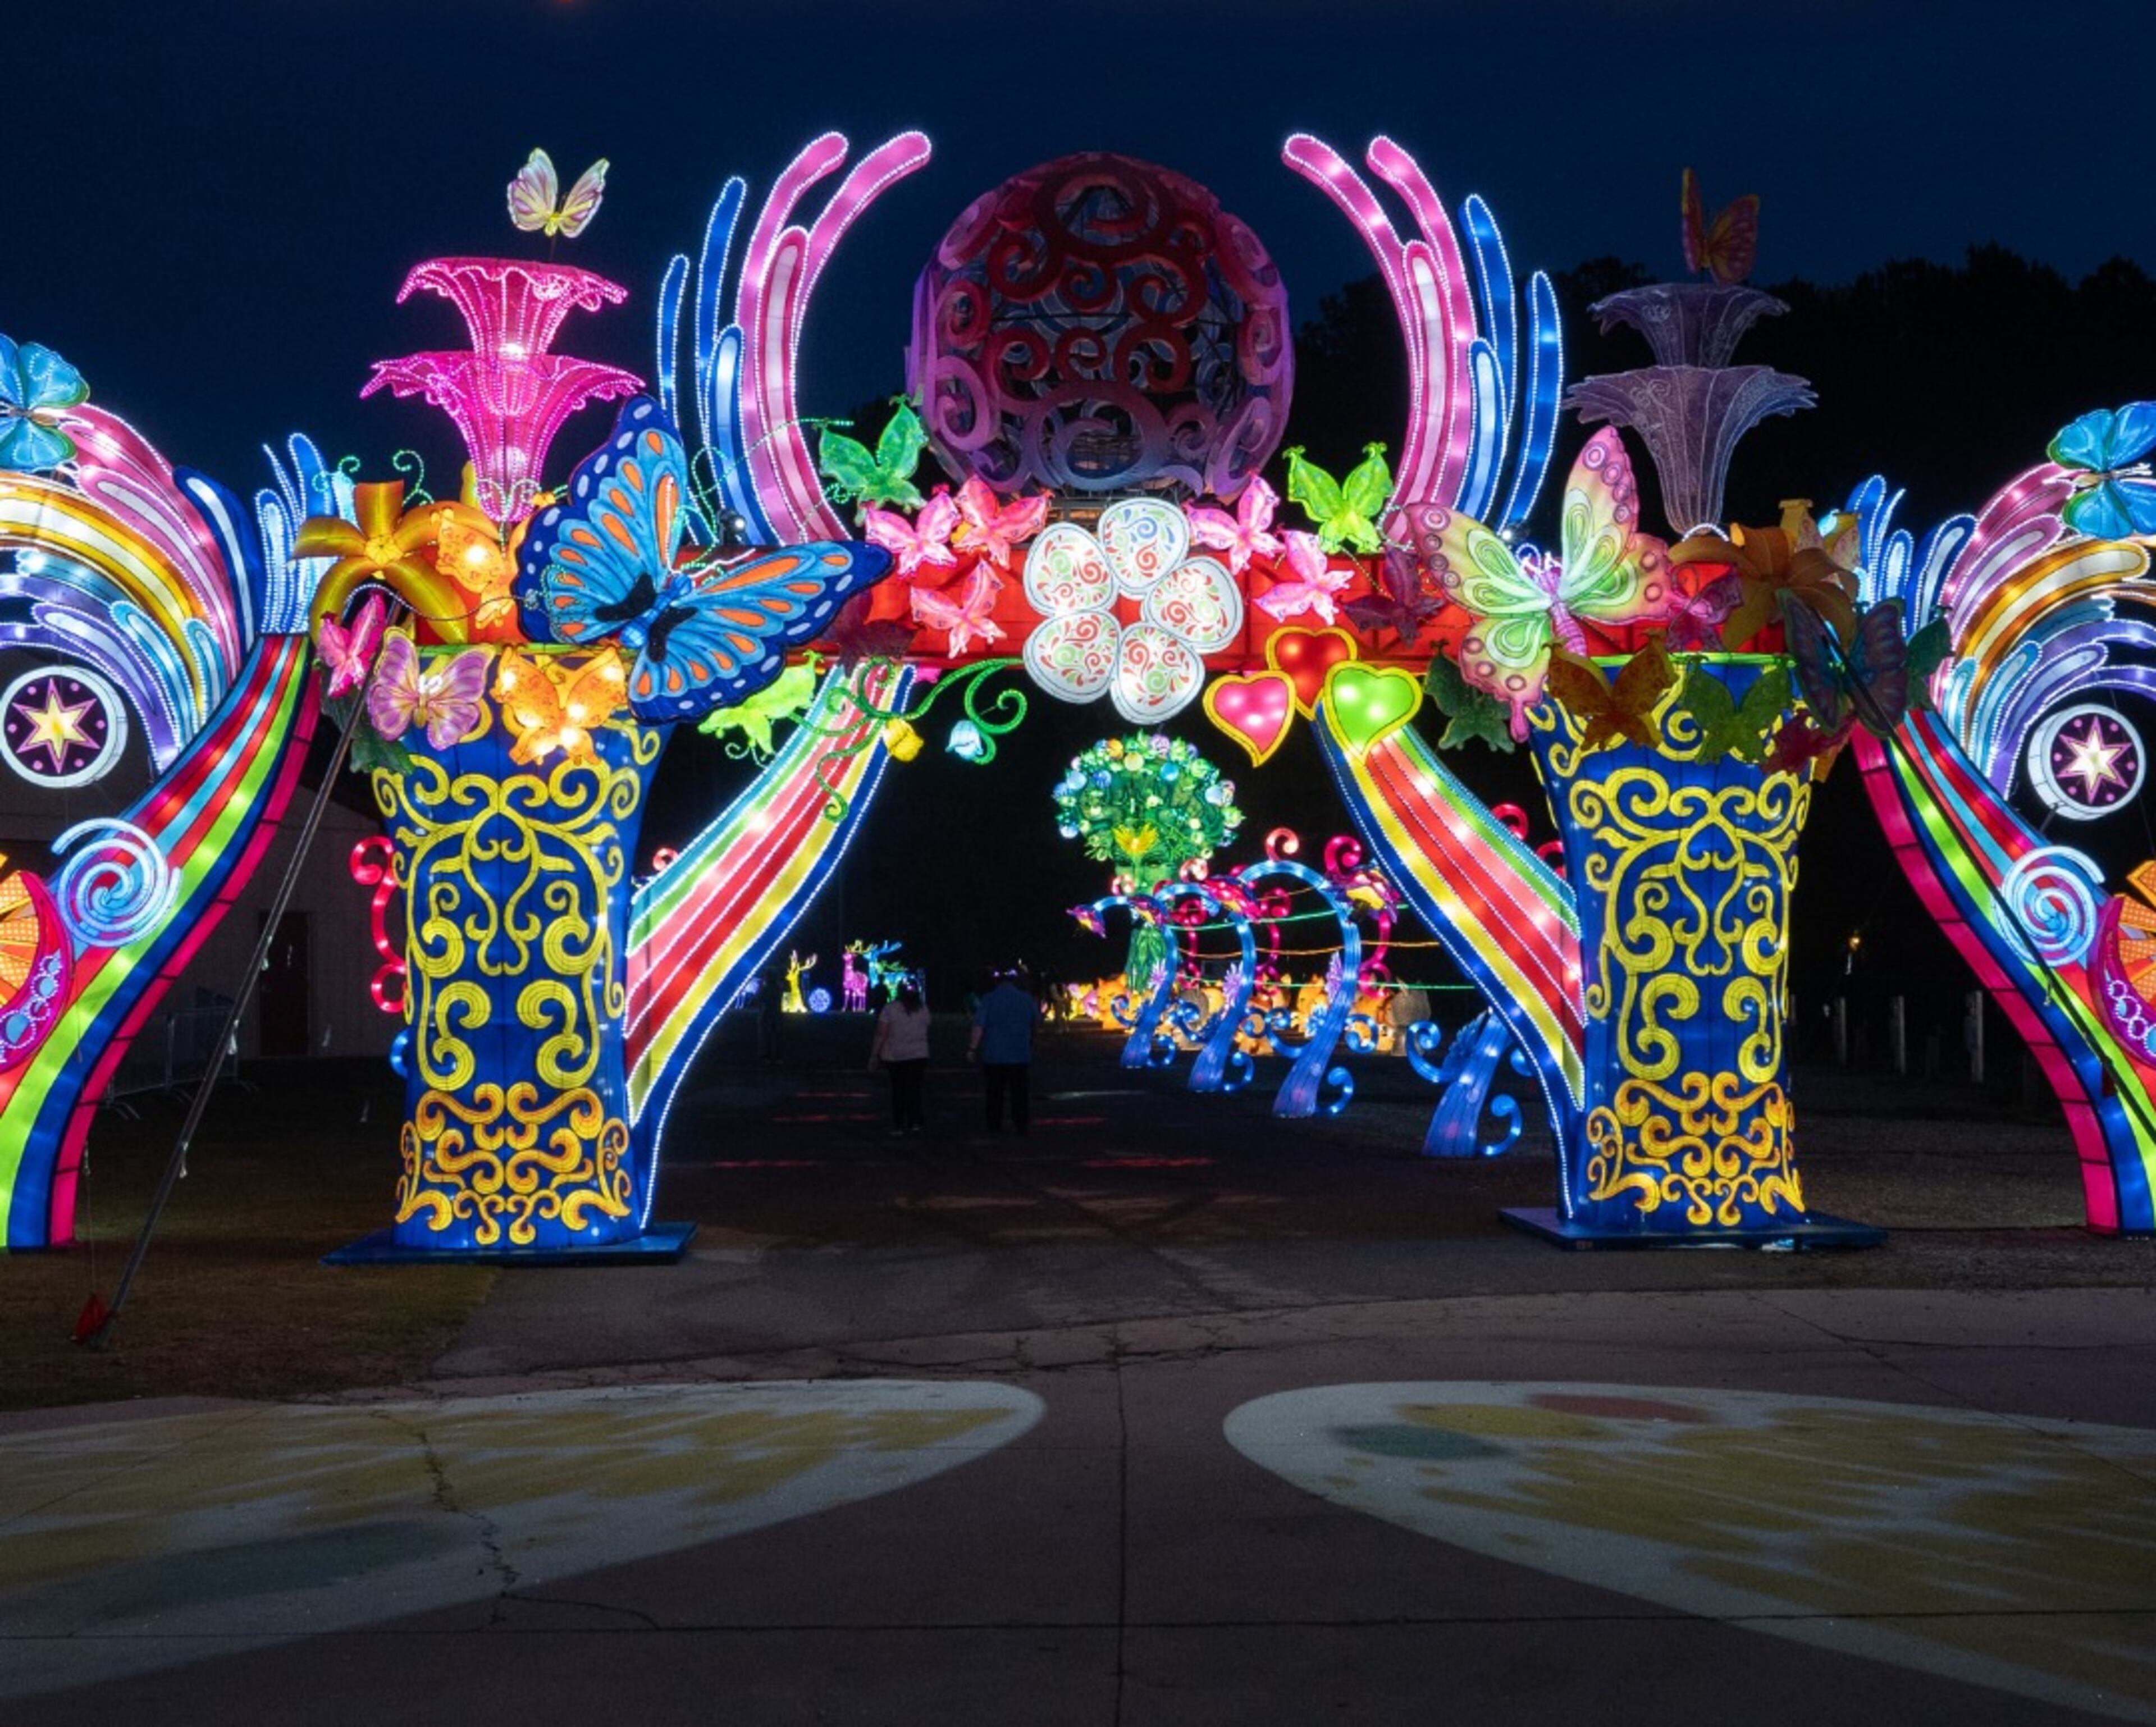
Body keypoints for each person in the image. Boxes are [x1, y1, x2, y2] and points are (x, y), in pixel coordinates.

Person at [969, 968, 1038, 1134]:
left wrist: (972, 1048)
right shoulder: (1026, 999)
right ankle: (1021, 1124)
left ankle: (994, 1125)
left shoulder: (989, 999)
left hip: (994, 1054)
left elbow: (979, 1026)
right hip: (1020, 1054)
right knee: (1020, 1093)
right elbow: (1035, 1022)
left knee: (994, 1093)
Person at [869, 980, 931, 1135]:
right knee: (915, 1090)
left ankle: (899, 1124)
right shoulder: (923, 1009)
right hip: (919, 1055)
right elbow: (928, 1026)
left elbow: (881, 1033)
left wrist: (874, 1055)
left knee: (899, 1091)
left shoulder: (890, 1009)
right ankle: (915, 1122)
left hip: (895, 1056)